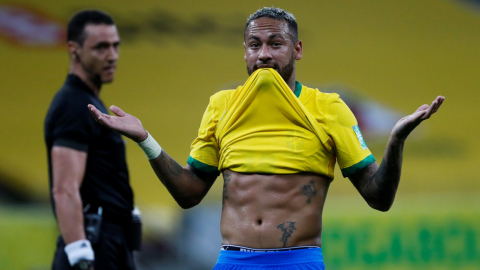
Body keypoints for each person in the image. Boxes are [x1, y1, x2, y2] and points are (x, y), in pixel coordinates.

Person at [88, 7, 444, 270]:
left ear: (297, 50)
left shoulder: (329, 108)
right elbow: (189, 192)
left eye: (276, 43)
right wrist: (146, 139)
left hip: (298, 261)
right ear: (244, 51)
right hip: (233, 261)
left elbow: (378, 198)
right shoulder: (221, 106)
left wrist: (396, 142)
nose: (264, 55)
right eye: (254, 44)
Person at [45, 10, 138, 270]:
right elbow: (64, 189)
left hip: (108, 243)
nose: (112, 56)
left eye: (115, 46)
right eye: (101, 48)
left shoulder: (87, 102)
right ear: (74, 49)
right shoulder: (75, 105)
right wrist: (80, 255)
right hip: (96, 243)